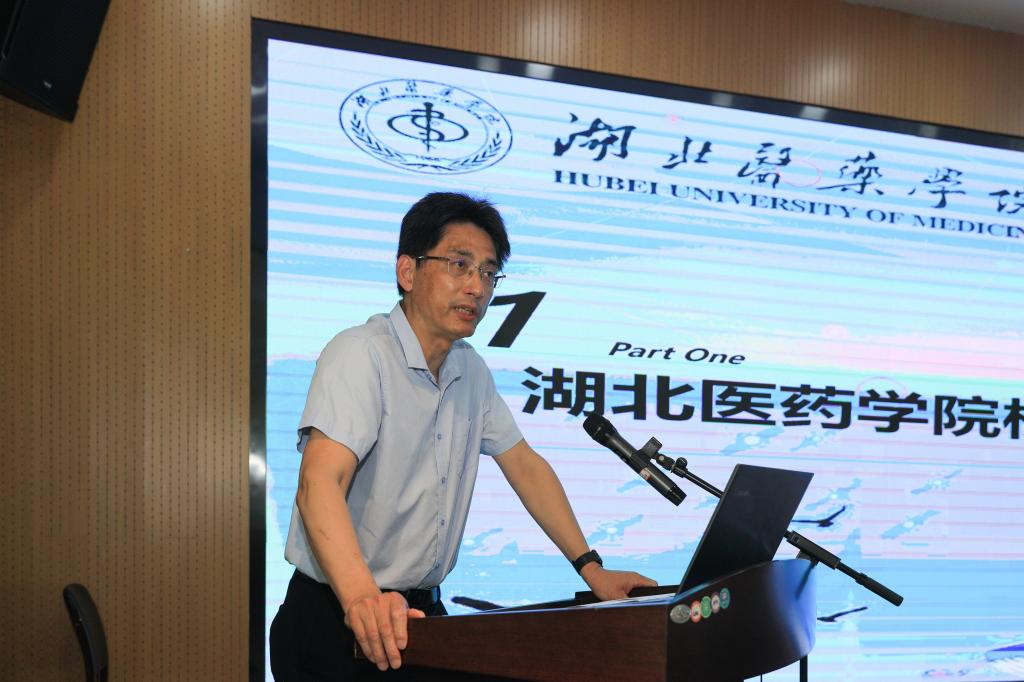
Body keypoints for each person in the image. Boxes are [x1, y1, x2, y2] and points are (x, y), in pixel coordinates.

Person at [269, 192, 655, 680]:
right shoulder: (361, 354)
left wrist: (591, 569)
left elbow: (525, 467)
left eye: (489, 273)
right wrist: (362, 598)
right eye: (459, 265)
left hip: (421, 616)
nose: (477, 287)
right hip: (340, 615)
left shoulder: (469, 370)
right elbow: (318, 483)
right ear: (407, 272)